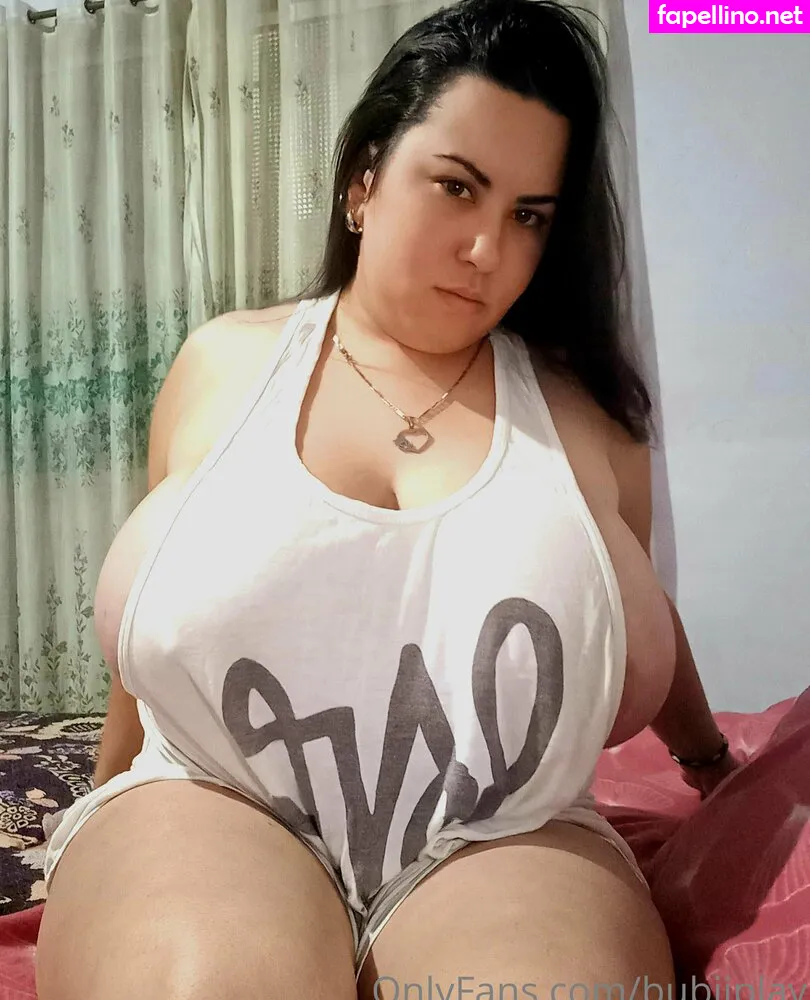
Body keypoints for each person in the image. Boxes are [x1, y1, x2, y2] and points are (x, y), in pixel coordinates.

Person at [35, 1, 741, 997]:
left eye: (529, 215)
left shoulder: (591, 419)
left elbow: (630, 611)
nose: (487, 249)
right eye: (457, 186)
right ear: (363, 181)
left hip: (505, 834)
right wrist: (111, 798)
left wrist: (710, 761)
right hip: (216, 800)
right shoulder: (224, 365)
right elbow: (158, 608)